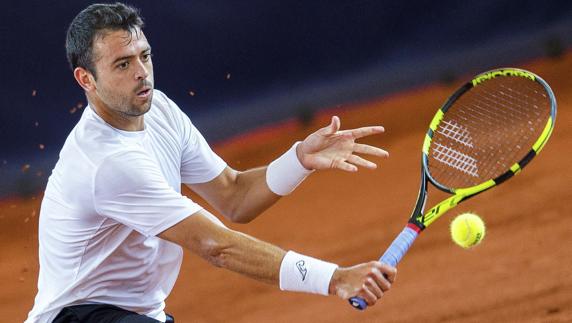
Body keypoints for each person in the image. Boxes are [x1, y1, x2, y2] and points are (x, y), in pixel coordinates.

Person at [26, 3, 396, 322]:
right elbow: (216, 246)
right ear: (85, 79)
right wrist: (334, 278)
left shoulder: (161, 111)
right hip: (76, 317)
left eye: (145, 55)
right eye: (122, 64)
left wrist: (299, 159)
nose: (141, 72)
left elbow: (234, 196)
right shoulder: (108, 163)